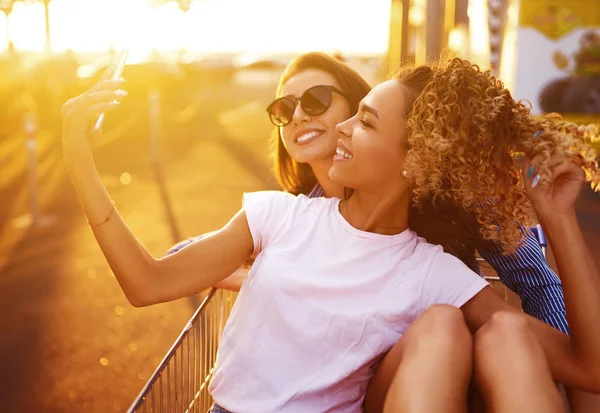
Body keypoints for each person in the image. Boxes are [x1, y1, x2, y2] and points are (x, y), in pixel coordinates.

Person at [61, 57, 600, 412]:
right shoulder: (277, 217)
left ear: (416, 161)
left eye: (363, 121)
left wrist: (558, 219)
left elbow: (586, 367)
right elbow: (147, 282)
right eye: (286, 109)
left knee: (444, 327)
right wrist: (77, 154)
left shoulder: (434, 271)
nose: (339, 129)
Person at [171, 52, 570, 335]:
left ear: (355, 105)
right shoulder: (300, 214)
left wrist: (568, 387)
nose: (297, 116)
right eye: (284, 108)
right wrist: (261, 275)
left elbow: (537, 283)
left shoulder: (452, 194)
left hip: (452, 356)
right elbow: (178, 259)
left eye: (316, 99)